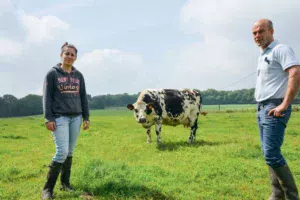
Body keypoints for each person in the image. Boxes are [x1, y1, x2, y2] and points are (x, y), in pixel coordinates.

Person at [253, 19, 300, 199]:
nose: (257, 36)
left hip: (274, 107)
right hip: (262, 108)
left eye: (261, 31)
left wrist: (284, 104)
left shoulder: (281, 49)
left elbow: (295, 72)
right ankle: (277, 195)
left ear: (271, 31)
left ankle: (292, 196)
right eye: (254, 33)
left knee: (272, 154)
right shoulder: (264, 54)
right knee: (269, 153)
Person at [42, 42, 90, 199]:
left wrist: (86, 117)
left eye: (72, 54)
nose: (69, 56)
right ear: (61, 55)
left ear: (75, 57)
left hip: (76, 117)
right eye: (66, 53)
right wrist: (48, 118)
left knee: (69, 151)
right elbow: (47, 97)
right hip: (59, 117)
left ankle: (65, 184)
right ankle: (47, 190)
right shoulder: (52, 74)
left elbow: (83, 97)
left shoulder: (79, 76)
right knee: (61, 151)